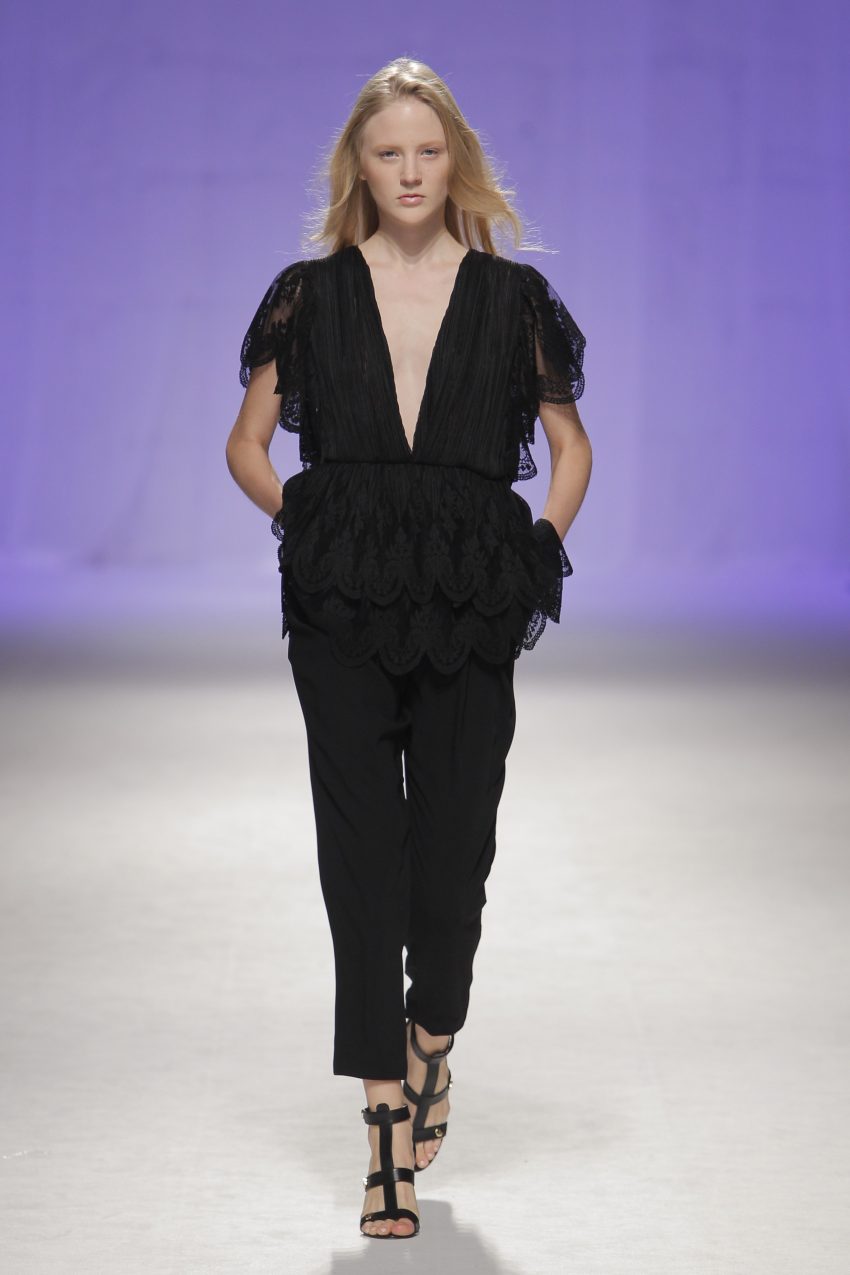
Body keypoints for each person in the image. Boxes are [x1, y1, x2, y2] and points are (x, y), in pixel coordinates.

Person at [225, 56, 592, 1241]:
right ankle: (383, 1125)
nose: (410, 172)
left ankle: (433, 1034)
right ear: (359, 167)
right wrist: (310, 527)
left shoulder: (513, 300)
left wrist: (535, 547)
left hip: (470, 597)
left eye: (428, 151)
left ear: (457, 160)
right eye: (388, 154)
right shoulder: (308, 294)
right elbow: (245, 443)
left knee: (453, 850)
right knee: (360, 856)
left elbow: (570, 446)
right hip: (340, 603)